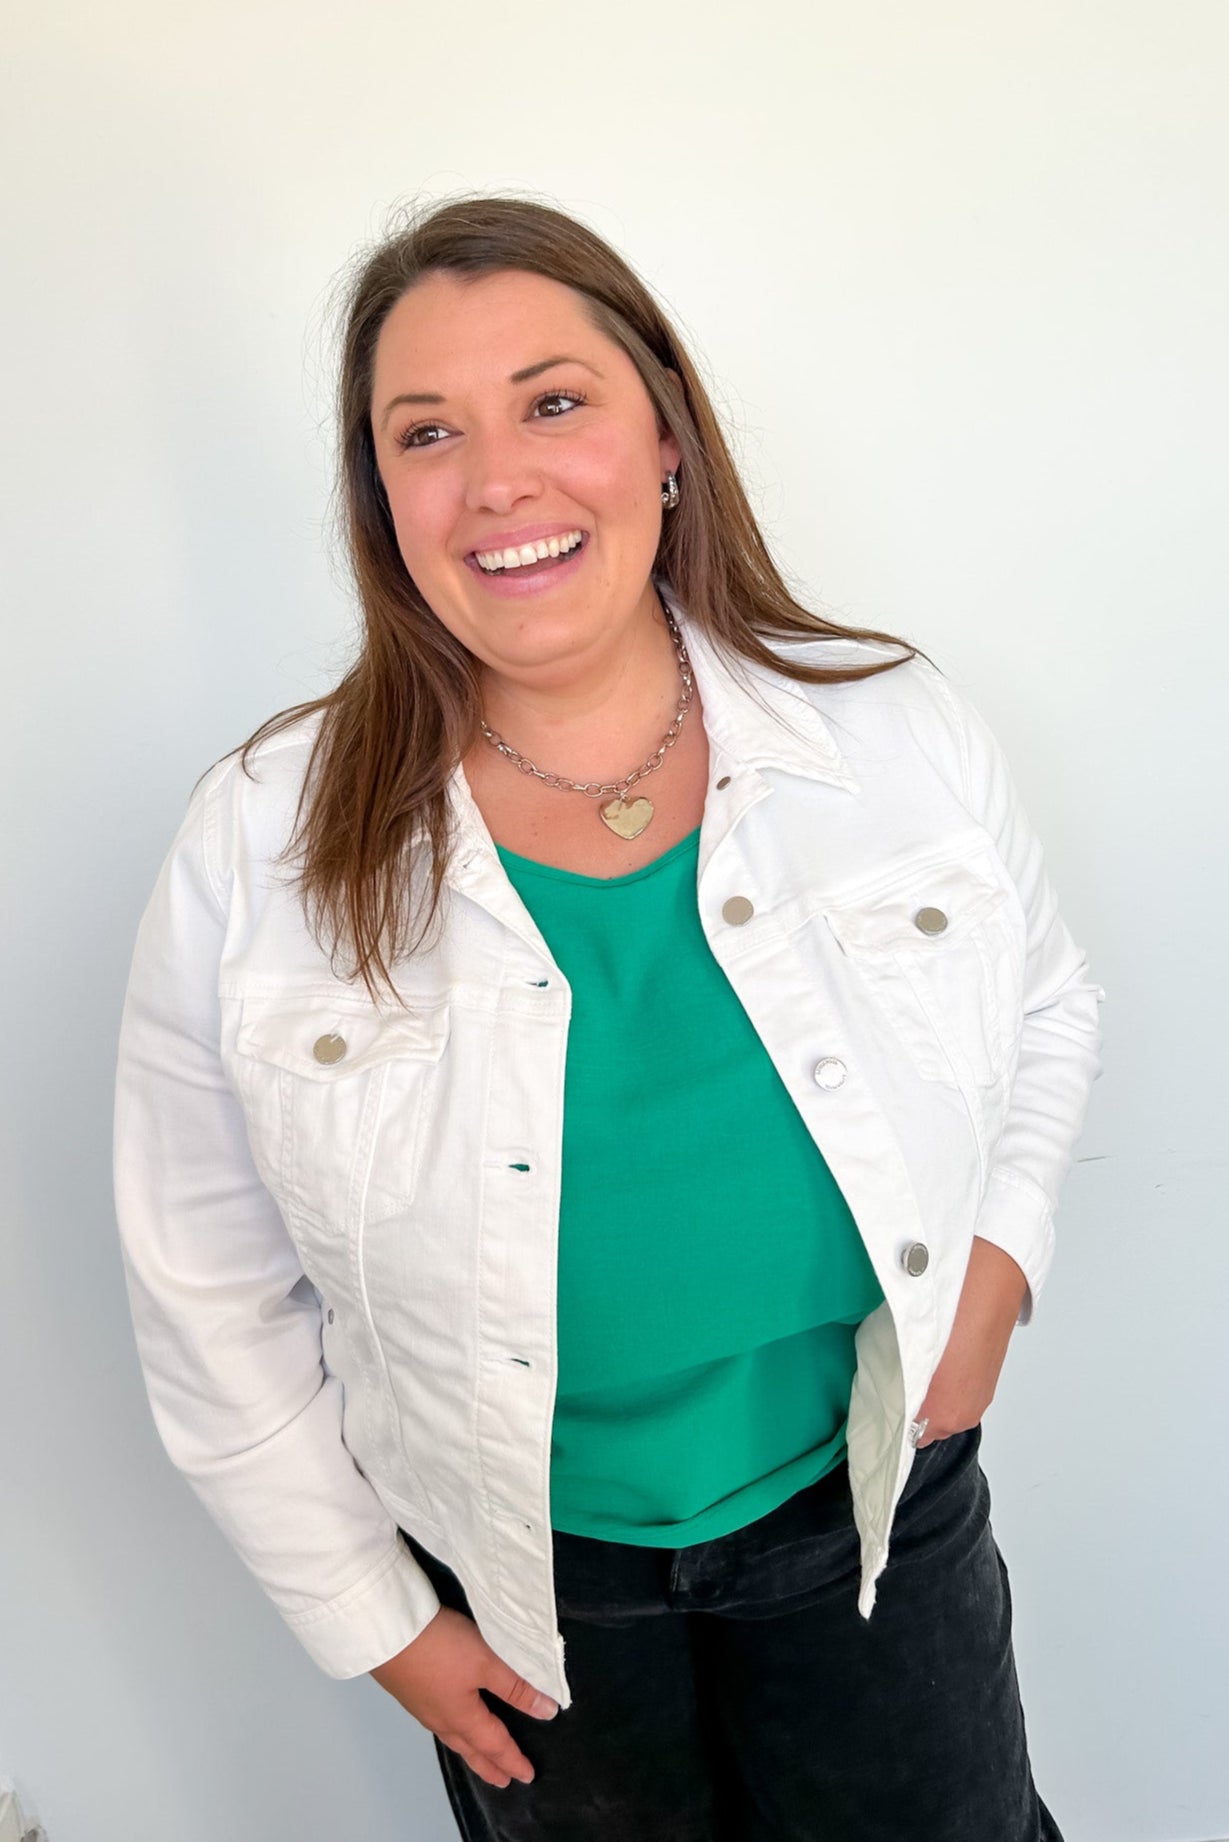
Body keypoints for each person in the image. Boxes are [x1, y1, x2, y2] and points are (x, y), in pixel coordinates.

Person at [113, 193, 1103, 1841]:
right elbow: (202, 1286)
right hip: (521, 1583)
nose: (496, 477)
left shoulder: (893, 735)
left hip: (865, 1506)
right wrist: (376, 1617)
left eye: (552, 400)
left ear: (663, 436)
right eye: (426, 431)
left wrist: (1001, 1256)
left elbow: (1046, 1002)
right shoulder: (261, 841)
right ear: (382, 500)